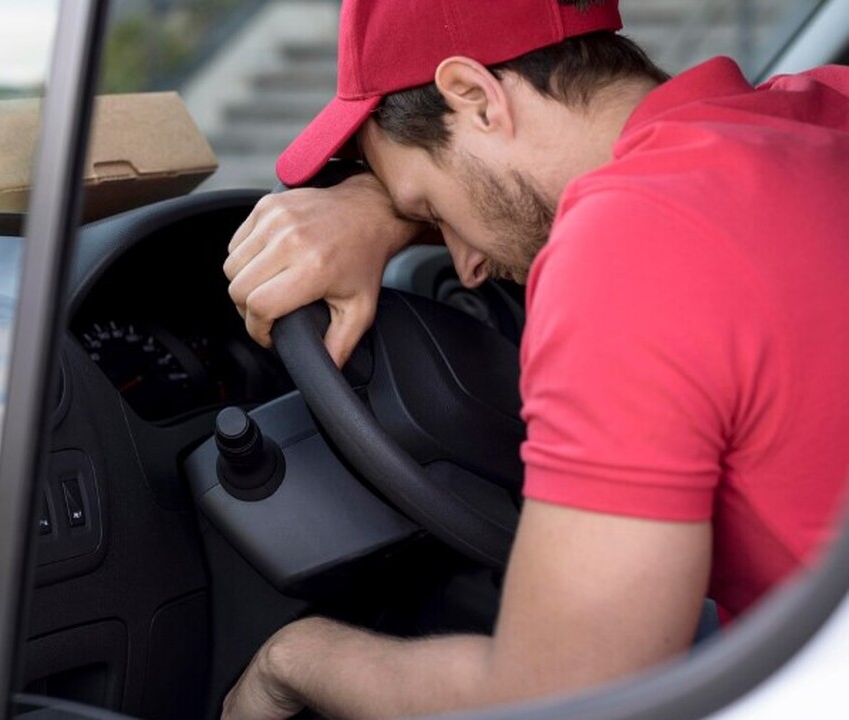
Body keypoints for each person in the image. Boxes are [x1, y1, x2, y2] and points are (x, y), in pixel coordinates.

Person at [220, 1, 849, 718]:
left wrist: (290, 661)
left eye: (430, 208)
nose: (467, 264)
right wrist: (385, 204)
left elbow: (562, 704)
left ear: (475, 97)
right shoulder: (821, 104)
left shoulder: (625, 251)